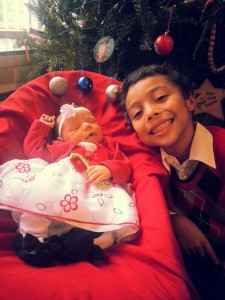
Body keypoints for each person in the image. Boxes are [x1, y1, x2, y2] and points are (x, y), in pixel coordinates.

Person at [118, 63, 225, 300]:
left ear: (190, 101)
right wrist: (175, 218)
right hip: (200, 265)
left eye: (160, 98)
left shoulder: (221, 147)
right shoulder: (151, 165)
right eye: (138, 113)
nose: (150, 113)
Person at [0, 104, 139, 267]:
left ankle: (87, 245)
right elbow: (34, 149)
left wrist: (109, 169)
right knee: (40, 193)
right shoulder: (60, 148)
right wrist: (42, 126)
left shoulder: (108, 147)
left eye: (90, 121)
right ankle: (32, 237)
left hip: (94, 195)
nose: (86, 126)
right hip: (60, 187)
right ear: (61, 138)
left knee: (110, 219)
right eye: (75, 128)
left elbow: (124, 166)